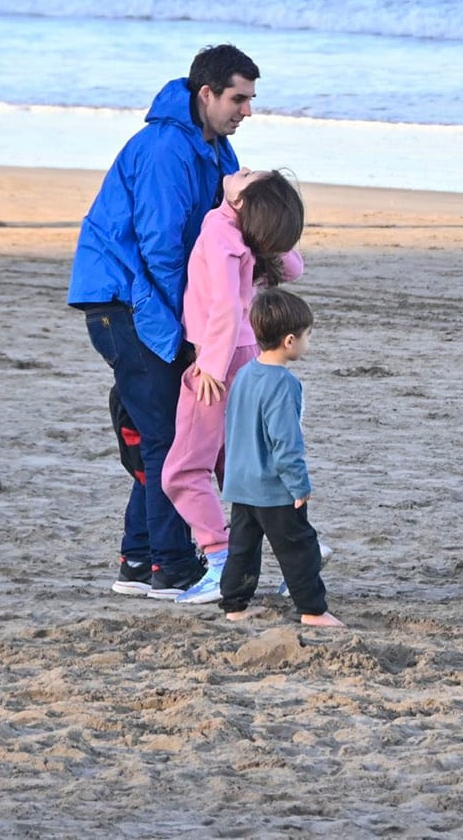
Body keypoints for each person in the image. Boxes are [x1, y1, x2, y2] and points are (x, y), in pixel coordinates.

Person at [70, 44, 258, 599]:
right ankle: (170, 569)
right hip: (122, 299)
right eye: (237, 99)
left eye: (250, 100)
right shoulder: (163, 150)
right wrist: (197, 336)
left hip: (147, 296)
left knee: (164, 431)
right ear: (206, 94)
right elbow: (162, 253)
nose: (246, 111)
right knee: (169, 437)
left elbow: (226, 234)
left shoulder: (215, 149)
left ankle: (139, 559)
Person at [169, 168, 307, 607]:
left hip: (221, 361)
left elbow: (227, 305)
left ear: (242, 201)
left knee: (184, 470)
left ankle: (219, 557)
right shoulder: (249, 235)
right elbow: (294, 265)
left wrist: (208, 365)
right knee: (243, 465)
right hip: (249, 357)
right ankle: (298, 551)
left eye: (248, 176)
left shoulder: (220, 228)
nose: (239, 170)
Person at [219, 289, 343, 628]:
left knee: (242, 548)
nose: (308, 342)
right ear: (290, 340)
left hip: (240, 483)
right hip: (273, 487)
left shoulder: (244, 373)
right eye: (307, 336)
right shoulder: (284, 383)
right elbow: (286, 442)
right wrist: (299, 485)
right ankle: (313, 610)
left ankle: (234, 604)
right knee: (299, 548)